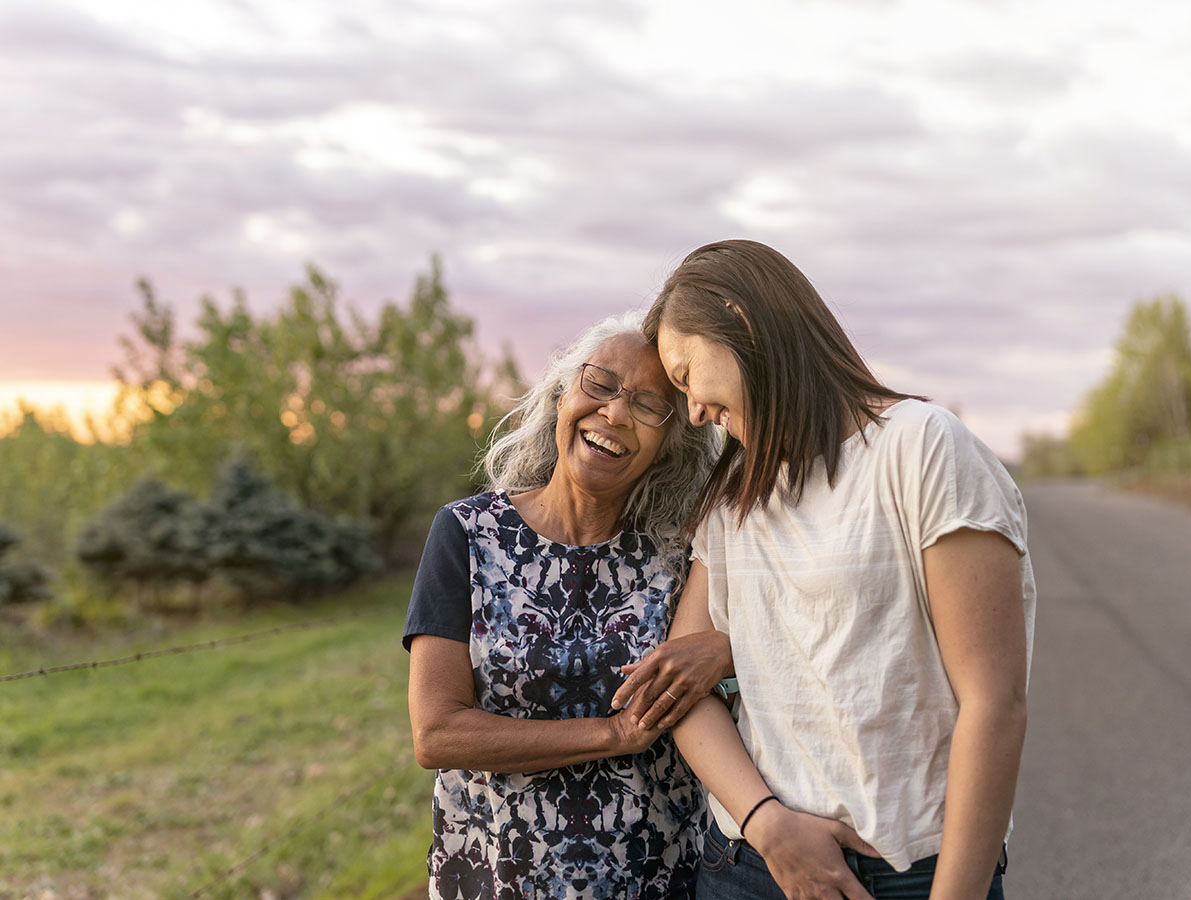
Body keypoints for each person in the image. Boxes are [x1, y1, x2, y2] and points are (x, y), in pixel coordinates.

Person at [625, 239, 1036, 900]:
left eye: (684, 375)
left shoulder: (920, 448)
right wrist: (768, 825)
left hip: (911, 872)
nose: (694, 411)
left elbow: (994, 703)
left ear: (741, 320)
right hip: (749, 865)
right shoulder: (736, 498)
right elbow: (681, 688)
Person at [403, 311, 726, 899]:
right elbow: (437, 733)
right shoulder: (466, 534)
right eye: (600, 383)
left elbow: (753, 647)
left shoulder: (689, 552)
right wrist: (611, 733)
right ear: (561, 394)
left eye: (649, 406)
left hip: (658, 878)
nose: (616, 412)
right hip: (498, 877)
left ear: (670, 445)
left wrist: (724, 651)